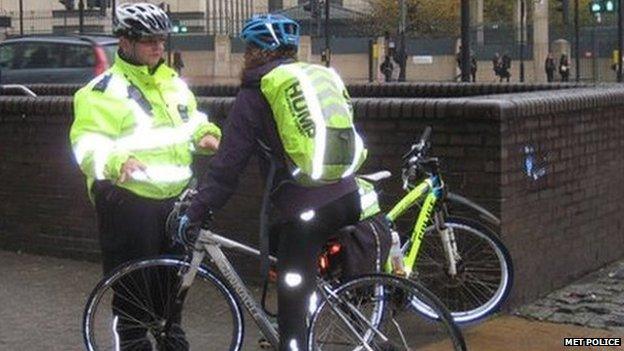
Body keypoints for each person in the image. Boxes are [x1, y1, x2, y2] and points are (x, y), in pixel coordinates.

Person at [180, 14, 365, 351]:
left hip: (307, 207)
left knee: (291, 290)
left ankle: (294, 342)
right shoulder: (312, 76)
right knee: (290, 256)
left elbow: (226, 169)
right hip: (347, 193)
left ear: (253, 52)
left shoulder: (256, 93)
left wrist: (195, 211)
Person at [69, 3, 221, 349]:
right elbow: (87, 143)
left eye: (161, 40)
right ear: (125, 41)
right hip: (129, 204)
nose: (158, 47)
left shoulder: (173, 84)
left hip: (175, 203)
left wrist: (206, 134)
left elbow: (192, 121)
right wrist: (116, 161)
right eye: (149, 40)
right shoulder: (102, 90)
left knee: (172, 296)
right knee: (134, 298)